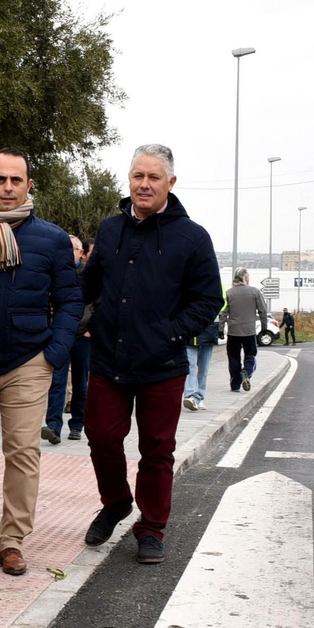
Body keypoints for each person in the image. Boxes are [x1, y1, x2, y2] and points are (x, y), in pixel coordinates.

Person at [82, 144, 222, 564]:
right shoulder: (110, 230)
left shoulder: (192, 237)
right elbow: (89, 285)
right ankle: (115, 504)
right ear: (129, 180)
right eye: (138, 176)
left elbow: (208, 299)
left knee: (157, 451)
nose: (144, 184)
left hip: (162, 365)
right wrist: (81, 319)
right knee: (101, 438)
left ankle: (151, 528)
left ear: (171, 183)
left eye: (154, 177)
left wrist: (170, 334)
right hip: (108, 359)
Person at [0, 150, 83, 576]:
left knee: (23, 451)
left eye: (16, 180)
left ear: (29, 185)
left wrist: (55, 352)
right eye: (0, 179)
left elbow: (70, 301)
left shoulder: (52, 239)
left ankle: (11, 539)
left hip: (28, 360)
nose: (8, 187)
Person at [44, 235, 91, 444]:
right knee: (57, 379)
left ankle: (77, 424)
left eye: (72, 248)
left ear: (80, 252)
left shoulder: (88, 274)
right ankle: (53, 426)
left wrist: (91, 327)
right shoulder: (54, 271)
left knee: (80, 382)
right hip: (58, 334)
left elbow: (97, 301)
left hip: (82, 334)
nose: (68, 252)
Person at [225, 268, 269, 392]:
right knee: (250, 354)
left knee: (233, 357)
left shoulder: (229, 293)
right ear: (246, 278)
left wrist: (220, 328)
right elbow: (263, 311)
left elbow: (223, 312)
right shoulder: (254, 292)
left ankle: (235, 385)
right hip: (249, 331)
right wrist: (264, 328)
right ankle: (247, 372)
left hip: (233, 331)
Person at [181, 299, 220, 412]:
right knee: (190, 365)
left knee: (204, 368)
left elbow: (221, 304)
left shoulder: (213, 288)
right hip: (190, 332)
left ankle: (199, 397)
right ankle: (191, 396)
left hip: (208, 331)